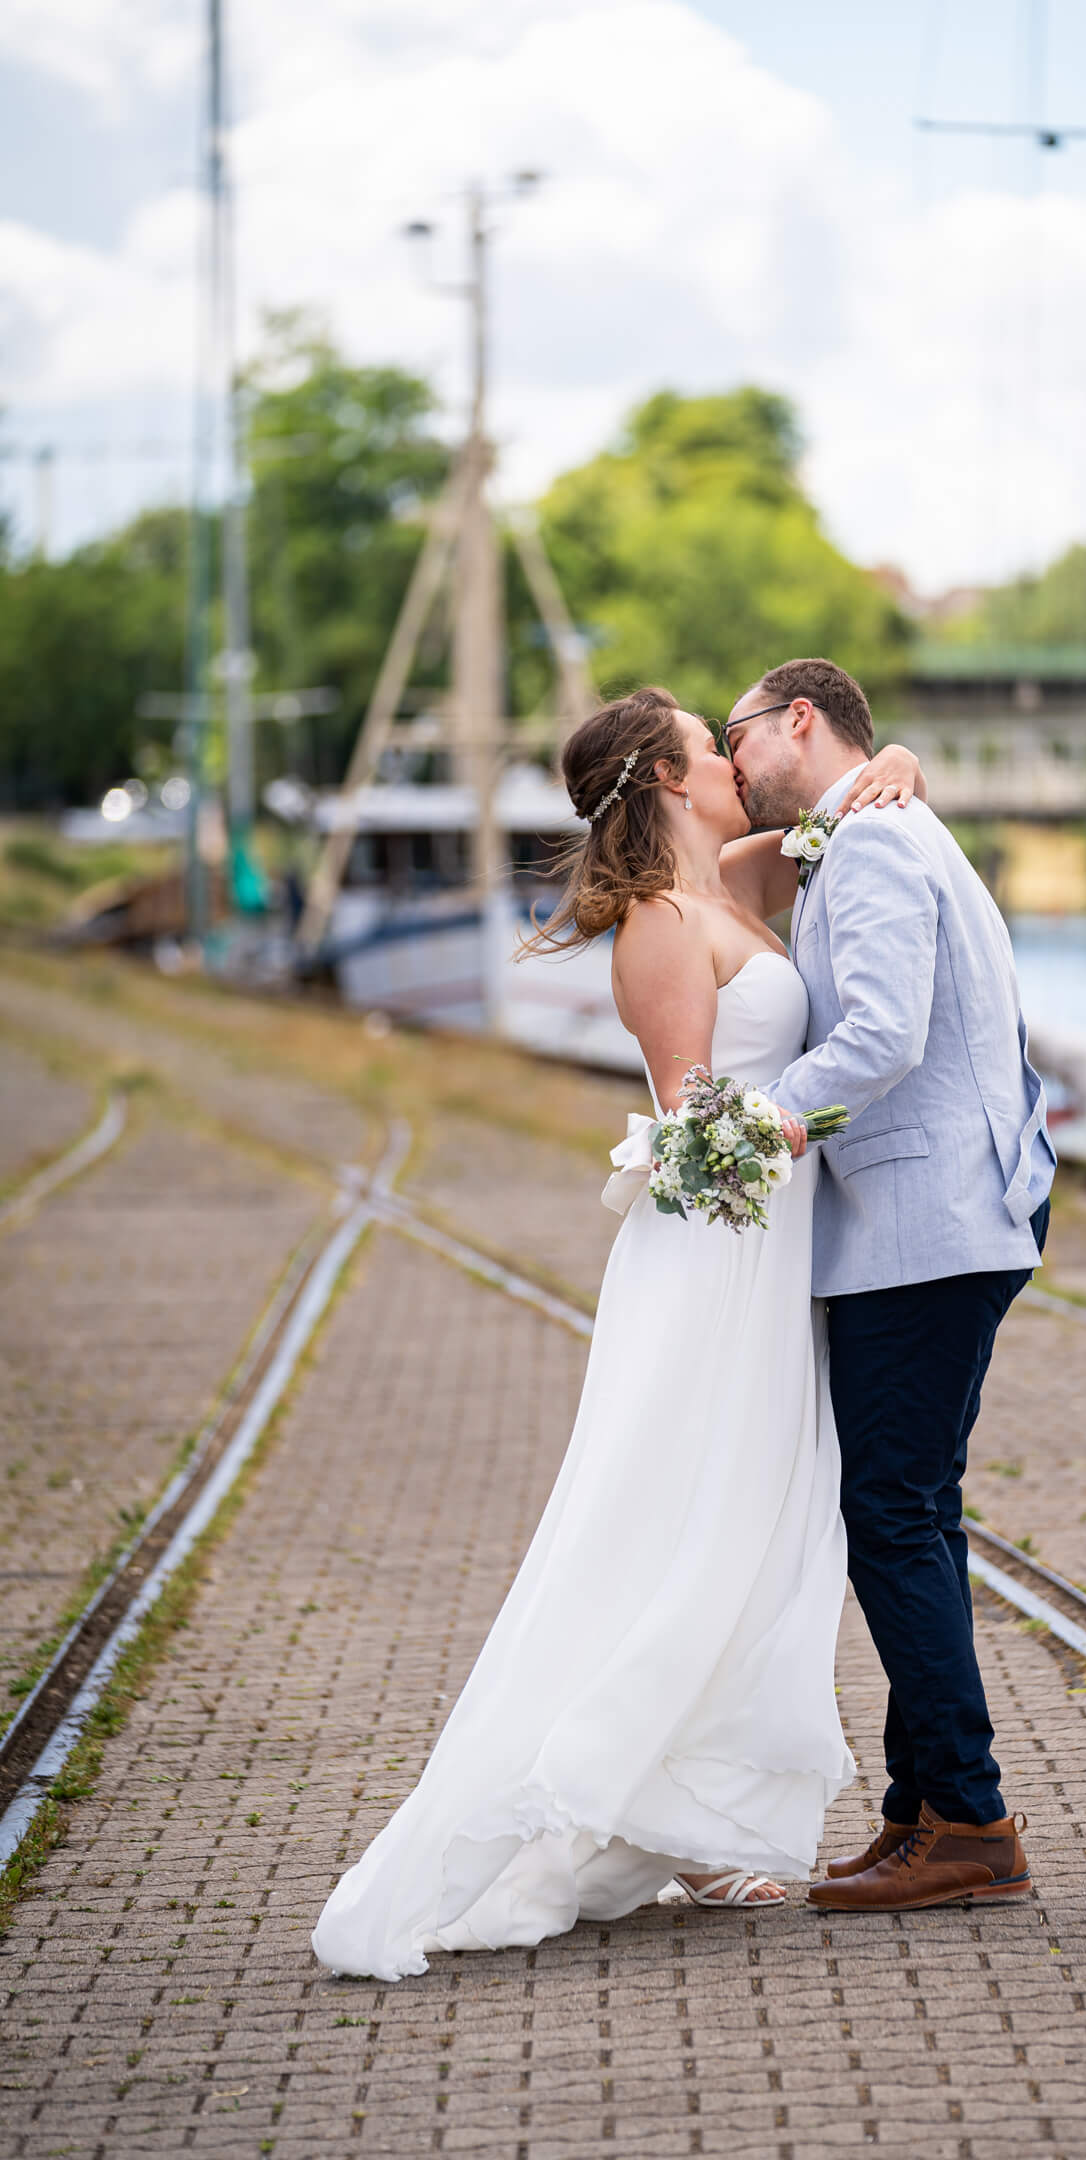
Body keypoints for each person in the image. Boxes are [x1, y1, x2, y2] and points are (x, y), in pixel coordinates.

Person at [310, 687, 923, 1978]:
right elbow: (693, 1118)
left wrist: (899, 757)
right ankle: (660, 1811)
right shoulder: (656, 924)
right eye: (712, 746)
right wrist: (776, 1137)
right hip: (713, 1257)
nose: (731, 762)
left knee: (759, 1519)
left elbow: (855, 804)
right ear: (663, 775)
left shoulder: (738, 876)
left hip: (768, 1257)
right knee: (688, 1514)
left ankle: (692, 1807)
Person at [726, 657, 1055, 1914]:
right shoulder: (870, 822)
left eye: (739, 732)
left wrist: (748, 1124)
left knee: (891, 1517)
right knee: (916, 1510)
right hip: (937, 1219)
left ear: (797, 720)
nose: (733, 756)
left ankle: (970, 1820)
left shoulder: (867, 845)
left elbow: (881, 1036)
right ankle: (920, 1810)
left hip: (924, 1225)